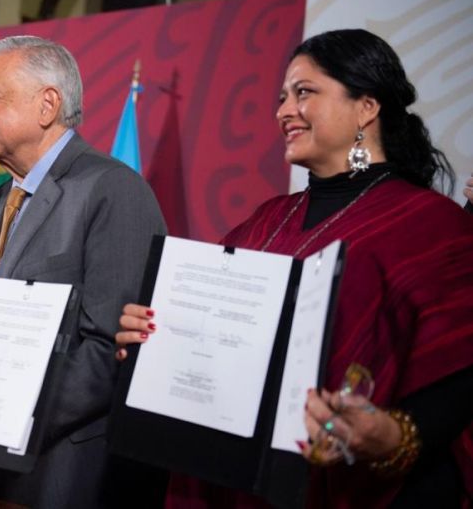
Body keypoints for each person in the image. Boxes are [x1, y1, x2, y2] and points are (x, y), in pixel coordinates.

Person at [116, 29, 473, 507]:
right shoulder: (265, 219)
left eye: (304, 93)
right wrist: (152, 337)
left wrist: (391, 435)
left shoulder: (434, 226)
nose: (284, 111)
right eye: (282, 97)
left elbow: (459, 375)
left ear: (366, 106)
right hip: (231, 478)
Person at [0, 35, 167, 507]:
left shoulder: (114, 190)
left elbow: (105, 354)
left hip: (60, 474)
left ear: (47, 105)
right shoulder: (1, 201)